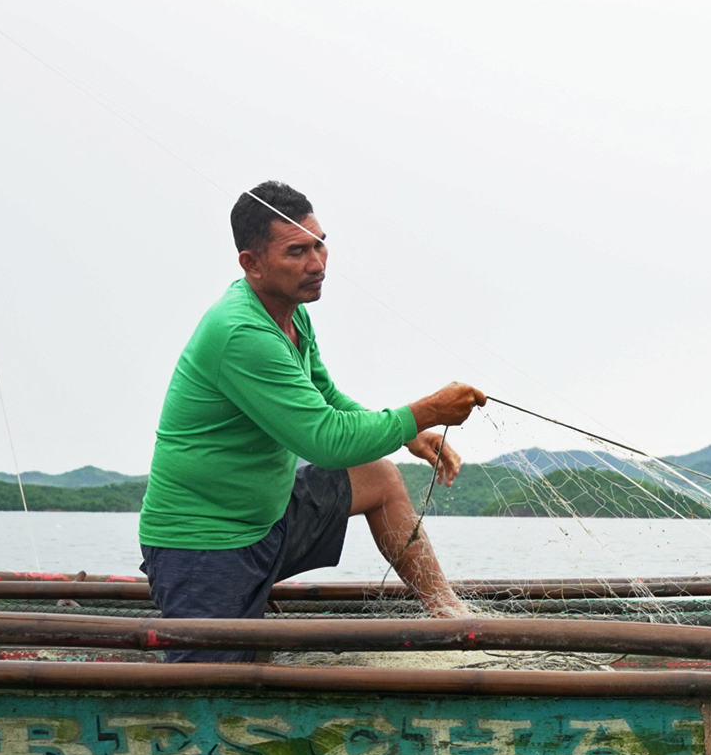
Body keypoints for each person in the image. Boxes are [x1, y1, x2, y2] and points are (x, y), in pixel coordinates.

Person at [138, 180, 487, 662]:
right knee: (210, 693)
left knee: (380, 477)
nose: (317, 264)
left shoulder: (291, 314)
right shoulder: (242, 332)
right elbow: (326, 442)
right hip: (204, 546)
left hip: (269, 520)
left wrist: (410, 433)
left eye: (320, 245)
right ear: (252, 263)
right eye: (297, 251)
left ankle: (451, 618)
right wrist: (424, 410)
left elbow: (325, 396)